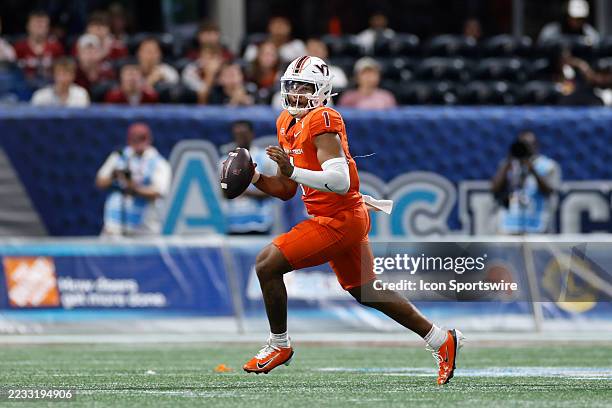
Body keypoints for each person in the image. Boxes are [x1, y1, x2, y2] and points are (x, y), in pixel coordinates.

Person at [240, 55, 463, 384]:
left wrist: (293, 170)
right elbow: (287, 189)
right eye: (293, 86)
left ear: (322, 91)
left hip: (338, 218)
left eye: (306, 87)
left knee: (266, 264)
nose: (297, 93)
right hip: (340, 215)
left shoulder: (323, 119)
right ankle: (441, 339)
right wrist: (255, 176)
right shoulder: (286, 121)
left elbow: (340, 180)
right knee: (367, 291)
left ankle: (279, 344)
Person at [95, 123, 171, 236]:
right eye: (134, 138)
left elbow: (158, 192)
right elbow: (100, 182)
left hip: (143, 230)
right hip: (114, 227)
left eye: (141, 138)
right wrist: (114, 176)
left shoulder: (158, 163)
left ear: (149, 139)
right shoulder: (118, 157)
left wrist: (133, 188)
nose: (138, 142)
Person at [491, 131, 561, 234]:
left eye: (528, 145)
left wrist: (532, 169)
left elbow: (550, 191)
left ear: (536, 145)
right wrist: (509, 161)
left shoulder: (548, 166)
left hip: (538, 225)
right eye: (522, 144)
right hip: (508, 225)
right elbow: (494, 189)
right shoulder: (508, 165)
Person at [221, 121, 277, 234]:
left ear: (252, 134)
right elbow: (223, 192)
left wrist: (245, 192)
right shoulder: (226, 160)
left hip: (260, 223)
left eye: (244, 134)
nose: (241, 137)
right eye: (238, 134)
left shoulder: (264, 158)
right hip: (234, 222)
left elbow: (273, 190)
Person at [14, 10, 64, 81]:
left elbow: (61, 71)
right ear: (28, 26)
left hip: (49, 86)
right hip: (24, 87)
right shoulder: (19, 47)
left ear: (48, 27)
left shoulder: (56, 47)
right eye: (36, 24)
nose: (39, 28)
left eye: (42, 25)